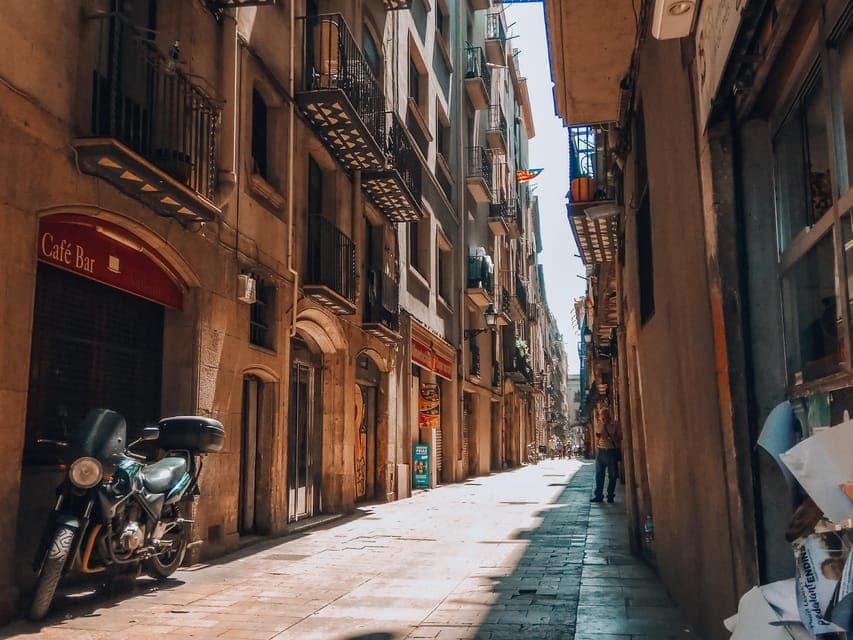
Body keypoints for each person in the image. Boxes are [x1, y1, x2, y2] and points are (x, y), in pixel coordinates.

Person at [590, 406, 620, 503]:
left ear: (609, 416)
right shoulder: (599, 424)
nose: (604, 419)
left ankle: (610, 495)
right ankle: (599, 495)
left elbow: (620, 438)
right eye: (602, 418)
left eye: (605, 417)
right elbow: (597, 437)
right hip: (600, 451)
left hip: (611, 451)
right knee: (599, 475)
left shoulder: (615, 425)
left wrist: (609, 437)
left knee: (612, 475)